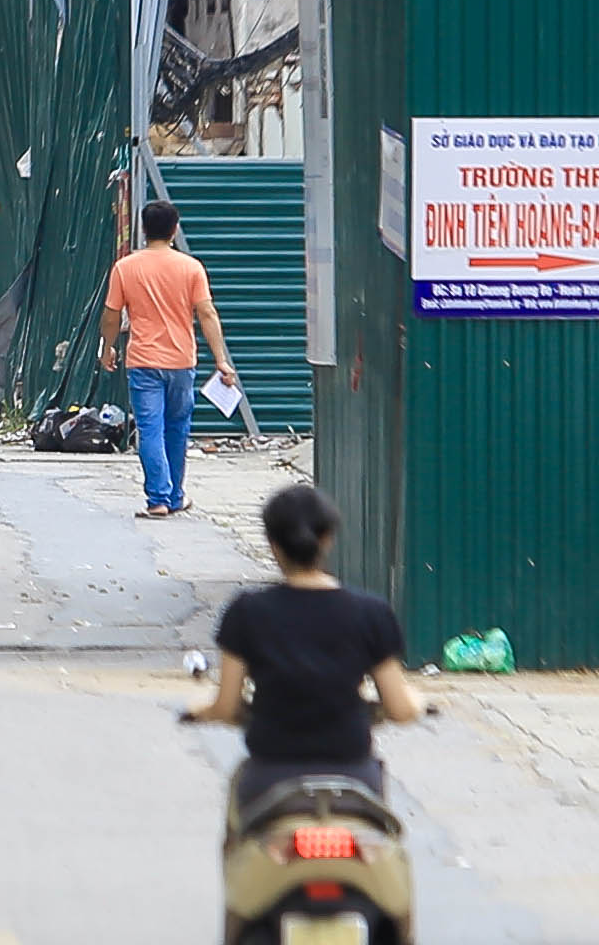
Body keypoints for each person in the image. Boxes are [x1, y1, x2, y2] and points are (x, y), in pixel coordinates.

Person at [181, 482, 425, 824]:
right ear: (327, 539)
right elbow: (399, 708)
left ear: (272, 544)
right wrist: (416, 702)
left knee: (243, 838)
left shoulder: (247, 612)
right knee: (386, 845)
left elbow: (226, 706)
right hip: (353, 777)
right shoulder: (371, 613)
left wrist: (200, 710)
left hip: (270, 776)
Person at [103, 198, 237, 518]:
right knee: (177, 428)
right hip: (181, 363)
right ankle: (175, 496)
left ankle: (158, 499)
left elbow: (111, 315)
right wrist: (220, 359)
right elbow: (206, 312)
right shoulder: (191, 267)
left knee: (150, 429)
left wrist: (107, 347)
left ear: (143, 230)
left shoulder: (125, 267)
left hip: (143, 362)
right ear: (174, 230)